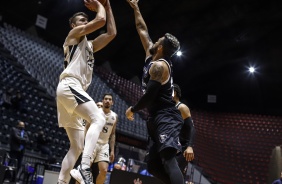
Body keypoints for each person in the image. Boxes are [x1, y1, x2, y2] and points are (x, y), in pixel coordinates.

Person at [56, 0, 116, 183]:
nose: (84, 22)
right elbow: (99, 22)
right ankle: (84, 167)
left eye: (85, 20)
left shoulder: (89, 45)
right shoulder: (73, 35)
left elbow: (112, 33)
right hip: (70, 85)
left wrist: (108, 6)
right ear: (74, 25)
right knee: (98, 118)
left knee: (77, 146)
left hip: (72, 92)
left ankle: (62, 182)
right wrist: (99, 4)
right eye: (82, 20)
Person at [126, 0, 184, 184]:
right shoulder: (151, 56)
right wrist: (135, 7)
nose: (154, 39)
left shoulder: (160, 66)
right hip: (155, 117)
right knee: (152, 166)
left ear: (160, 47)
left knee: (168, 159)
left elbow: (150, 96)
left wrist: (133, 109)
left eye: (158, 40)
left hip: (166, 116)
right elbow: (142, 28)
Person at [72, 93, 118, 184]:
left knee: (104, 170)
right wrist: (84, 143)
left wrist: (112, 150)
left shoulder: (114, 116)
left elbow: (113, 134)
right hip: (93, 143)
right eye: (105, 99)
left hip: (104, 144)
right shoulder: (96, 112)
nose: (107, 101)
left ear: (112, 102)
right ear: (103, 101)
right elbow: (86, 128)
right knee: (84, 170)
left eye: (109, 99)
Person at [173, 84, 196, 177]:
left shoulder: (181, 107)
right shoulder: (168, 109)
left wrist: (190, 146)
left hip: (182, 149)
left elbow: (192, 128)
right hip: (172, 147)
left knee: (175, 177)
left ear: (174, 93)